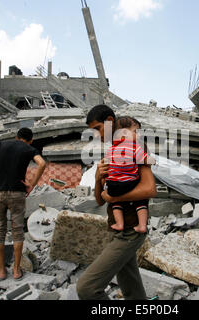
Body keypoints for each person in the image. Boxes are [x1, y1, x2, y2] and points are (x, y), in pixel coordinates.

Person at [76, 105, 157, 300]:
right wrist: (97, 178)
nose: (96, 135)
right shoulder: (111, 152)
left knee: (86, 288)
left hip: (130, 231)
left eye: (97, 129)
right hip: (116, 229)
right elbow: (99, 200)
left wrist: (114, 198)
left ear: (110, 122)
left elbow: (149, 189)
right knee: (132, 288)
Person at [0, 128, 46, 281]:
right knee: (17, 230)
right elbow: (41, 164)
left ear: (16, 137)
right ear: (30, 140)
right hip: (17, 193)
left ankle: (2, 271)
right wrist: (32, 185)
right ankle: (16, 270)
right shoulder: (30, 148)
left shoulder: (2, 144)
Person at [104, 116, 154, 233]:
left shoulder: (111, 149)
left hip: (113, 184)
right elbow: (144, 159)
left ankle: (119, 223)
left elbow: (107, 165)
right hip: (130, 182)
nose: (140, 135)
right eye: (136, 132)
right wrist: (152, 161)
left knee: (116, 202)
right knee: (140, 202)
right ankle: (142, 225)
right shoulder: (134, 147)